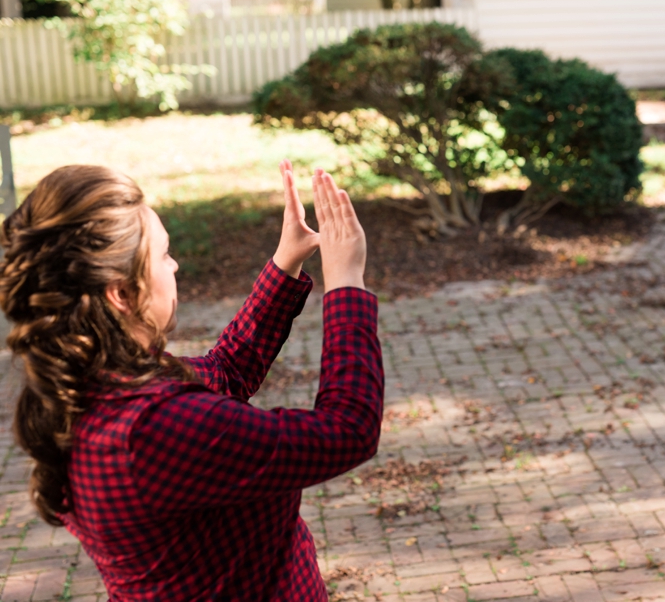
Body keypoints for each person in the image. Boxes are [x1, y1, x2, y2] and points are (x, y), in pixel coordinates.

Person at [0, 161, 383, 600]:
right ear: (121, 294)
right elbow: (348, 430)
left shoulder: (99, 382)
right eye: (163, 254)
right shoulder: (151, 428)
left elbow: (225, 371)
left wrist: (287, 258)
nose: (175, 265)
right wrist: (346, 282)